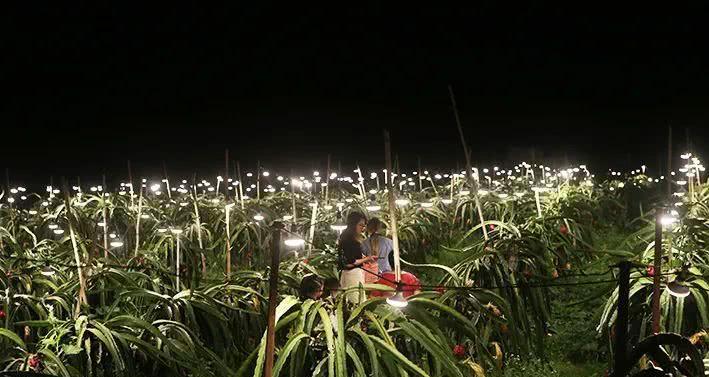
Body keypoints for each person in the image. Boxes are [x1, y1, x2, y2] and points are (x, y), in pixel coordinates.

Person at [338, 211, 377, 303]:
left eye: (364, 226)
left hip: (347, 274)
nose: (363, 228)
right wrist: (367, 258)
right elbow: (350, 262)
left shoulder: (345, 236)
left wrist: (364, 258)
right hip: (352, 275)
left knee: (349, 300)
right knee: (355, 301)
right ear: (353, 224)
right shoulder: (350, 239)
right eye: (361, 225)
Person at [361, 217, 394, 283]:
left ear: (368, 228)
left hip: (371, 273)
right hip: (386, 272)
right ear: (380, 227)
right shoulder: (389, 242)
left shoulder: (363, 243)